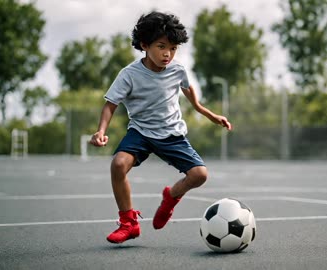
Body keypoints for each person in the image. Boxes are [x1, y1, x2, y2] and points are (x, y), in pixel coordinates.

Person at [90, 11, 232, 244]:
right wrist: (101, 131)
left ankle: (171, 196)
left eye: (174, 48)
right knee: (118, 164)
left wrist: (211, 115)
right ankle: (129, 223)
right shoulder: (129, 74)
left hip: (171, 134)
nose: (168, 53)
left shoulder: (178, 70)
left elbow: (192, 99)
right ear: (144, 45)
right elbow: (110, 105)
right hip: (141, 132)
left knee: (199, 175)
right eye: (161, 46)